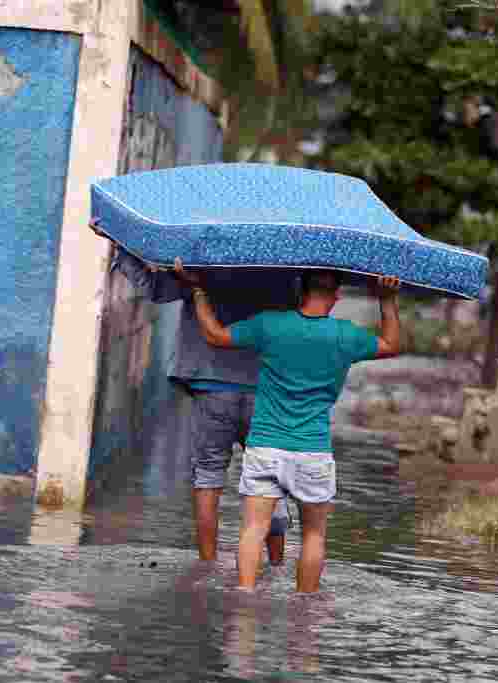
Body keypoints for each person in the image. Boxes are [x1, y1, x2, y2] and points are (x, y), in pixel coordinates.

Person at [182, 262, 401, 593]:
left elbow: (214, 335)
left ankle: (244, 601)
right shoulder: (345, 335)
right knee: (314, 535)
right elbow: (390, 345)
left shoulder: (271, 326)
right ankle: (305, 613)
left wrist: (198, 288)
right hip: (313, 450)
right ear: (337, 295)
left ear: (300, 290)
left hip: (265, 447)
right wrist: (386, 300)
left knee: (253, 529)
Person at [92, 221, 292, 566]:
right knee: (271, 479)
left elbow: (155, 289)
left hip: (211, 384)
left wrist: (119, 245)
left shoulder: (205, 263)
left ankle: (207, 565)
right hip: (267, 389)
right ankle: (276, 567)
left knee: (209, 475)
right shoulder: (286, 267)